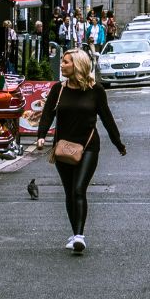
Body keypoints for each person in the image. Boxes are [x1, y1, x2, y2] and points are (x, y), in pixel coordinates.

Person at [35, 48, 126, 254]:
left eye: (66, 62)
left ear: (77, 65)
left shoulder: (96, 91)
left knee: (78, 189)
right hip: (62, 147)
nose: (62, 64)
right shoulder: (58, 89)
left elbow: (107, 118)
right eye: (63, 61)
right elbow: (48, 115)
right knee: (69, 192)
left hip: (88, 147)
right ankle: (74, 231)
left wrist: (118, 143)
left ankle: (79, 236)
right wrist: (41, 136)